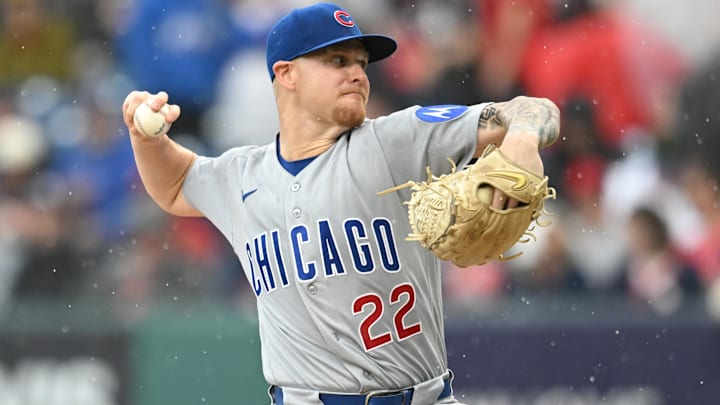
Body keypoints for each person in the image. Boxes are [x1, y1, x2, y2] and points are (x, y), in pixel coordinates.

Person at [121, 3, 560, 404]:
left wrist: (521, 140)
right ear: (286, 74)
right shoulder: (242, 177)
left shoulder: (394, 140)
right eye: (337, 61)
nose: (358, 74)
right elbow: (175, 183)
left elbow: (532, 109)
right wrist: (146, 138)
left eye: (361, 63)